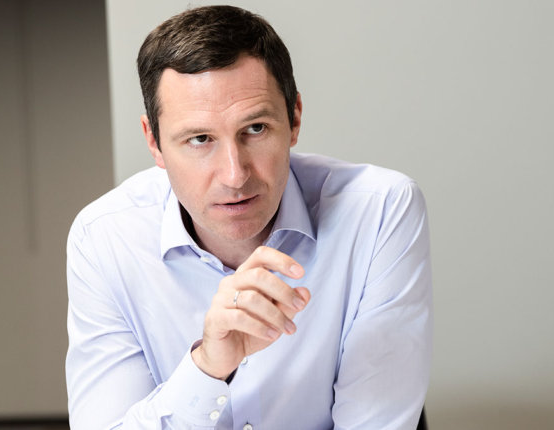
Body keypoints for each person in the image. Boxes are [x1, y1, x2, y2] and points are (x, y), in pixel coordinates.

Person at [66, 5, 432, 429]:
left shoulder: (379, 211)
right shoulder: (104, 238)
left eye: (255, 129)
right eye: (199, 139)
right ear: (154, 142)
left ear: (294, 118)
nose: (235, 175)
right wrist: (207, 368)